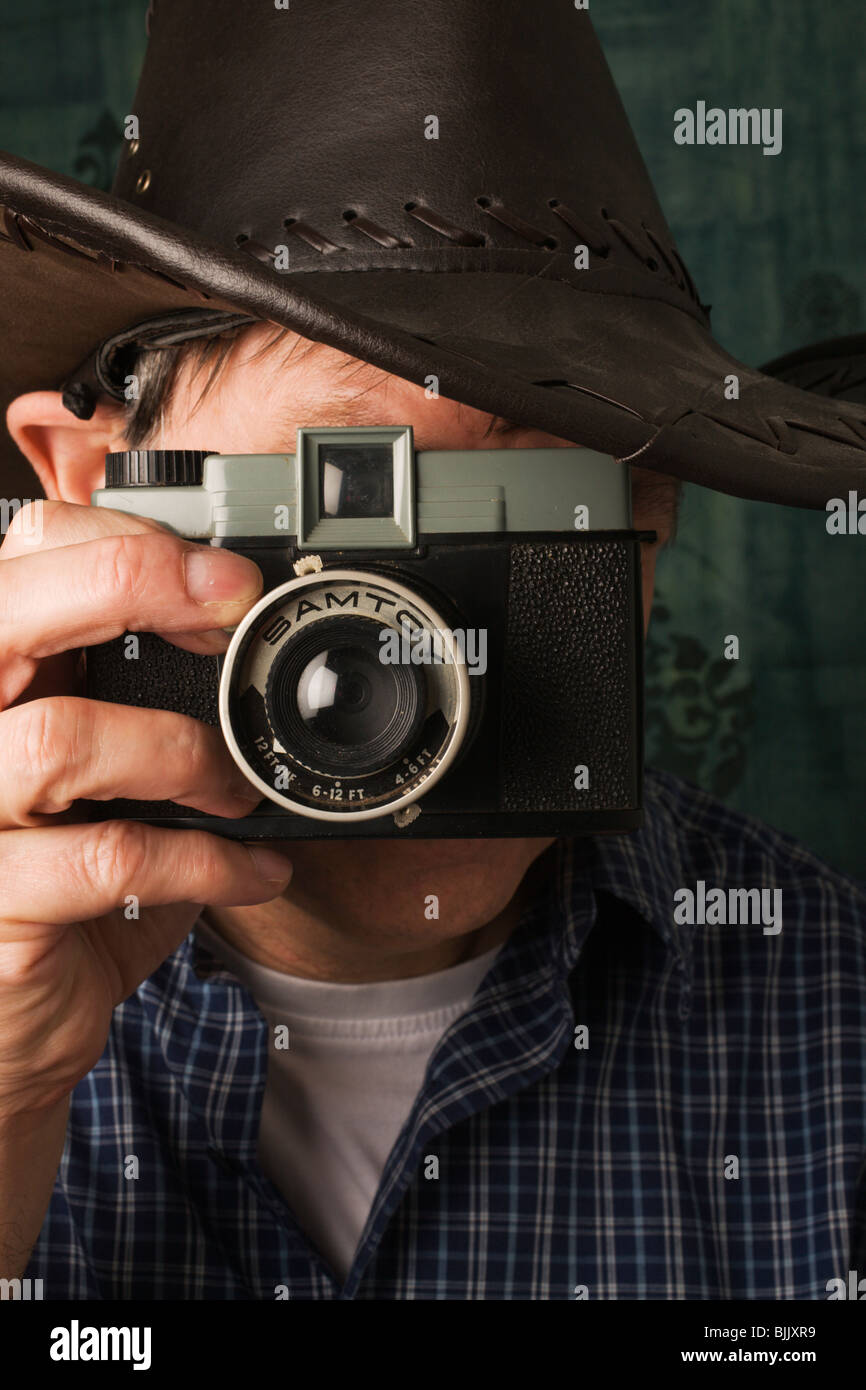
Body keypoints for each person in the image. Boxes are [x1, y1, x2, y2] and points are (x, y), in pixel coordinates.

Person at [1, 0, 865, 1300]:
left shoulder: (832, 1030)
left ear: (645, 524)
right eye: (353, 494)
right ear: (99, 496)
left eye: (519, 507)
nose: (426, 654)